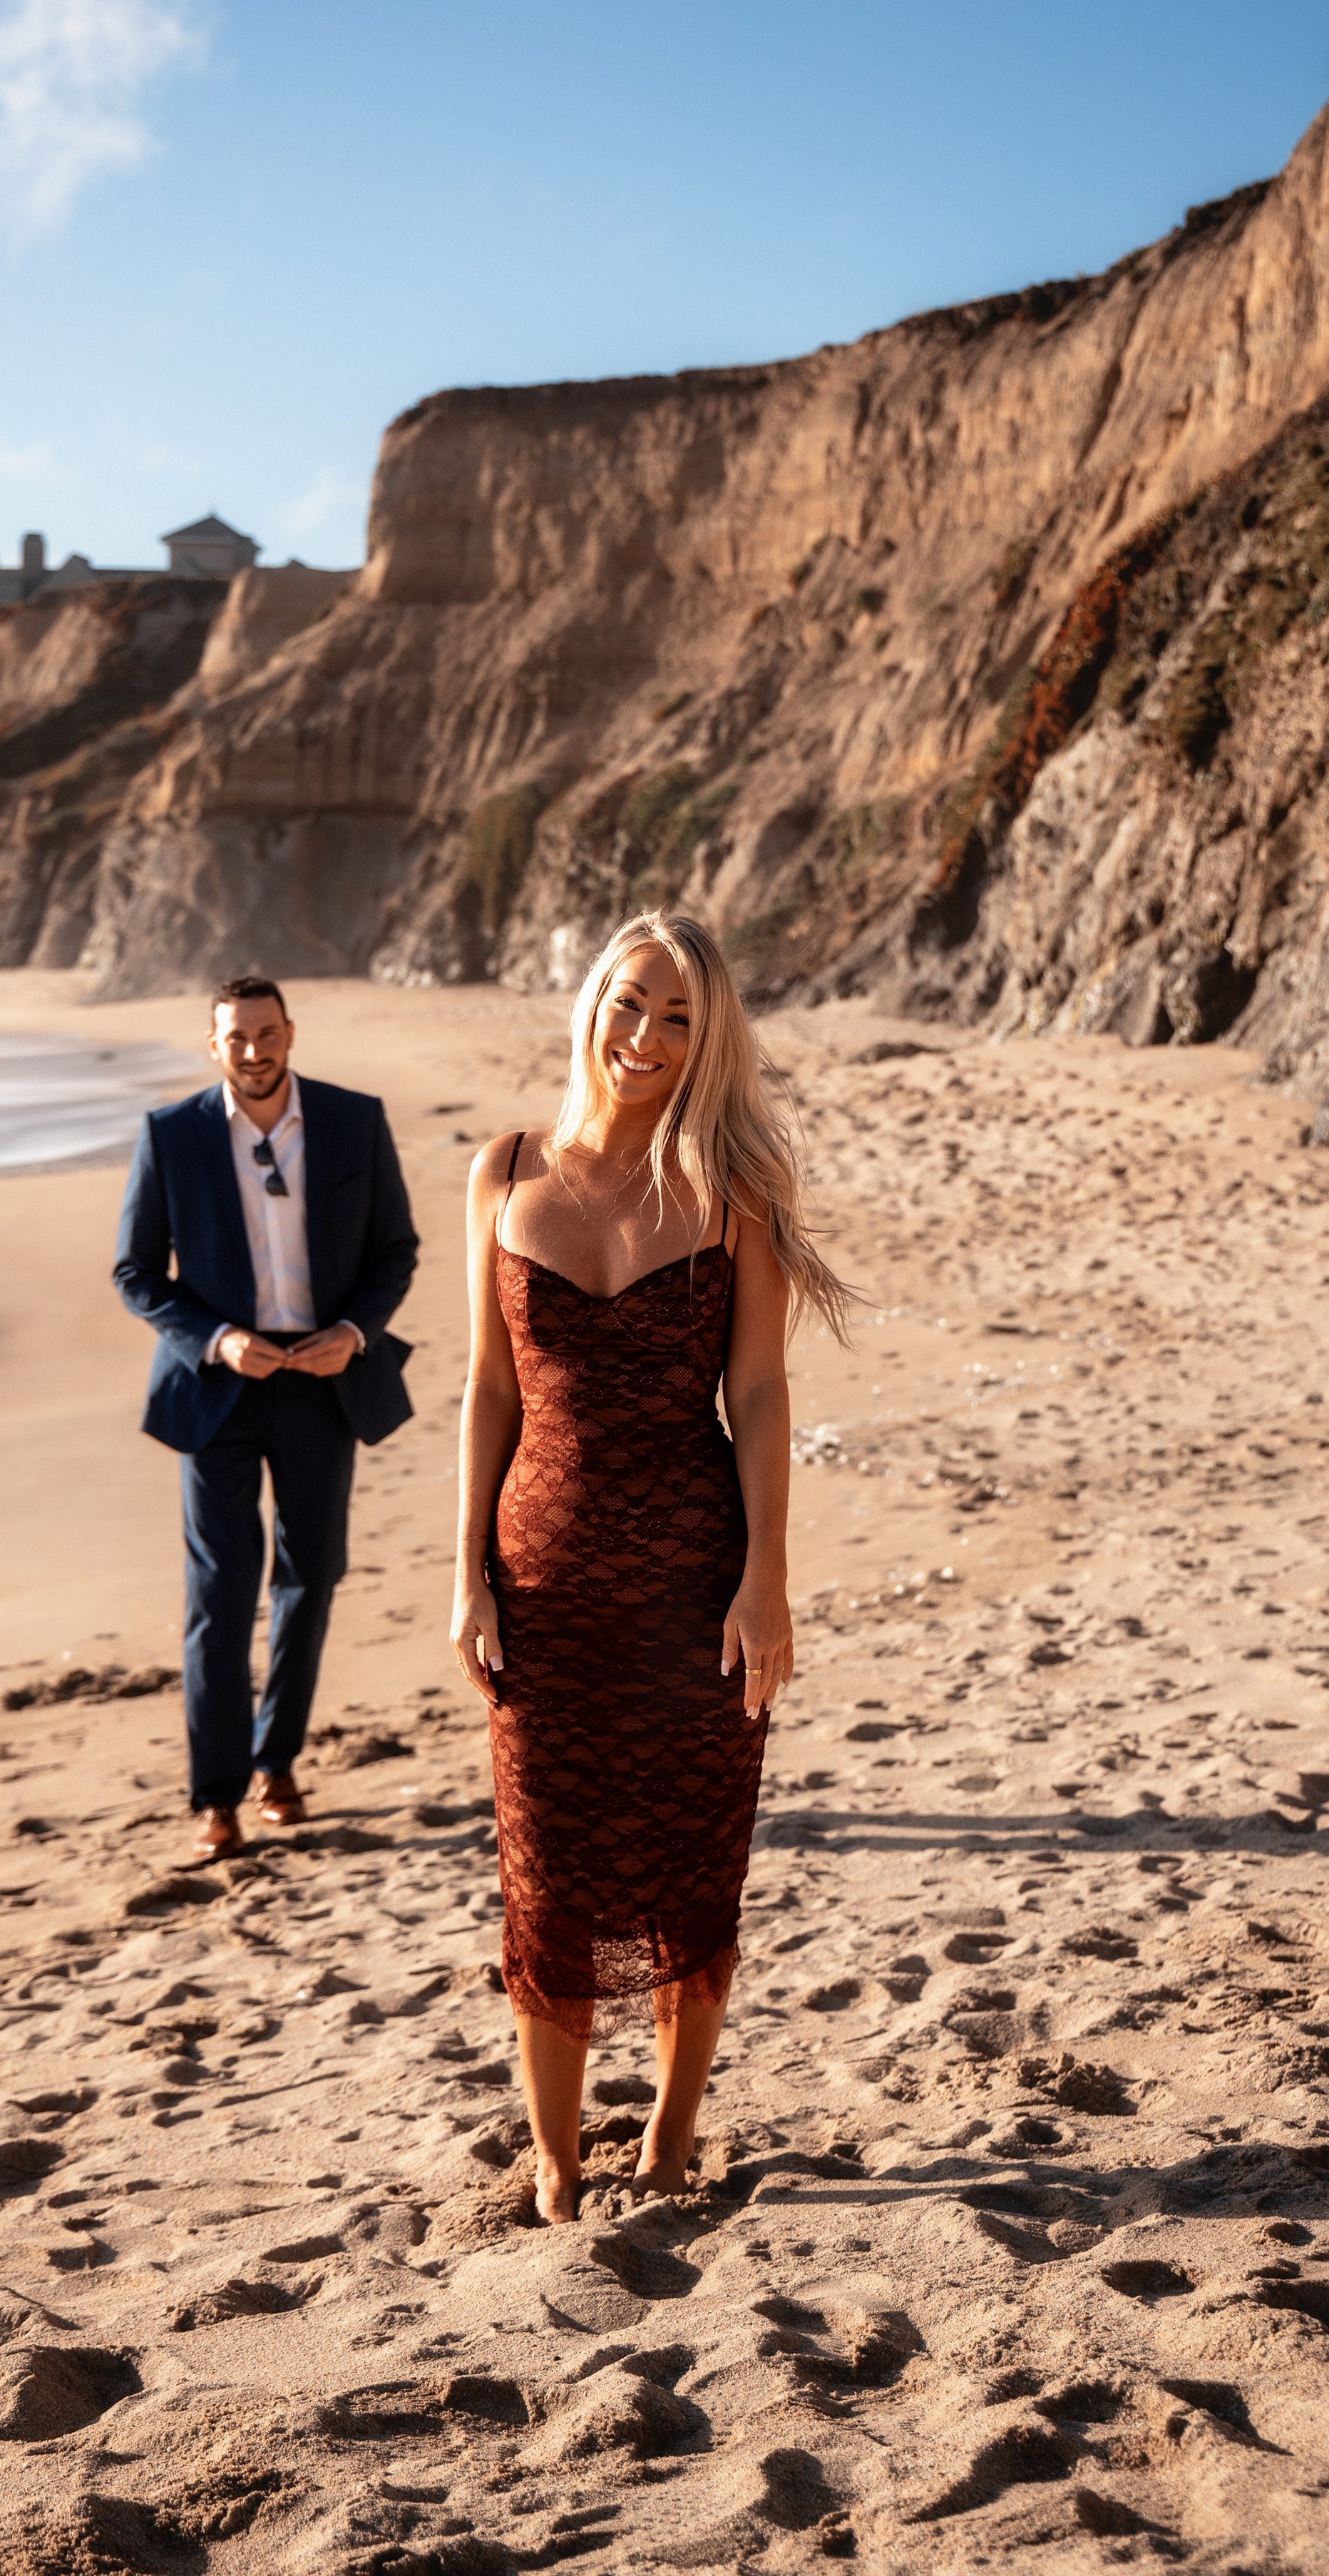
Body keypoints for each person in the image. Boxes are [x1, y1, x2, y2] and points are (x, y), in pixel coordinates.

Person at [451, 909, 853, 2223]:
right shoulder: (502, 1171)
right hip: (544, 1590)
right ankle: (559, 2164)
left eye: (681, 1018)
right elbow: (488, 1395)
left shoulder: (733, 1192)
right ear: (590, 1003)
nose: (649, 1037)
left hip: (696, 1583)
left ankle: (673, 2142)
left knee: (693, 1863)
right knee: (547, 1875)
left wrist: (769, 1579)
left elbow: (763, 1393)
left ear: (711, 1040)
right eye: (631, 1003)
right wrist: (466, 1574)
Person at [115, 976, 419, 1855]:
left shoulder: (354, 1121)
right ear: (214, 1047)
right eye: (235, 1038)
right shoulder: (170, 1137)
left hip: (323, 1385)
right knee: (219, 1594)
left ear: (290, 1033)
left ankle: (276, 1759)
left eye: (266, 1032)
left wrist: (356, 1332)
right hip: (218, 1389)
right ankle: (216, 1797)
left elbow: (394, 1250)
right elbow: (136, 1273)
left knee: (311, 1575)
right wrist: (214, 1340)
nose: (254, 1050)